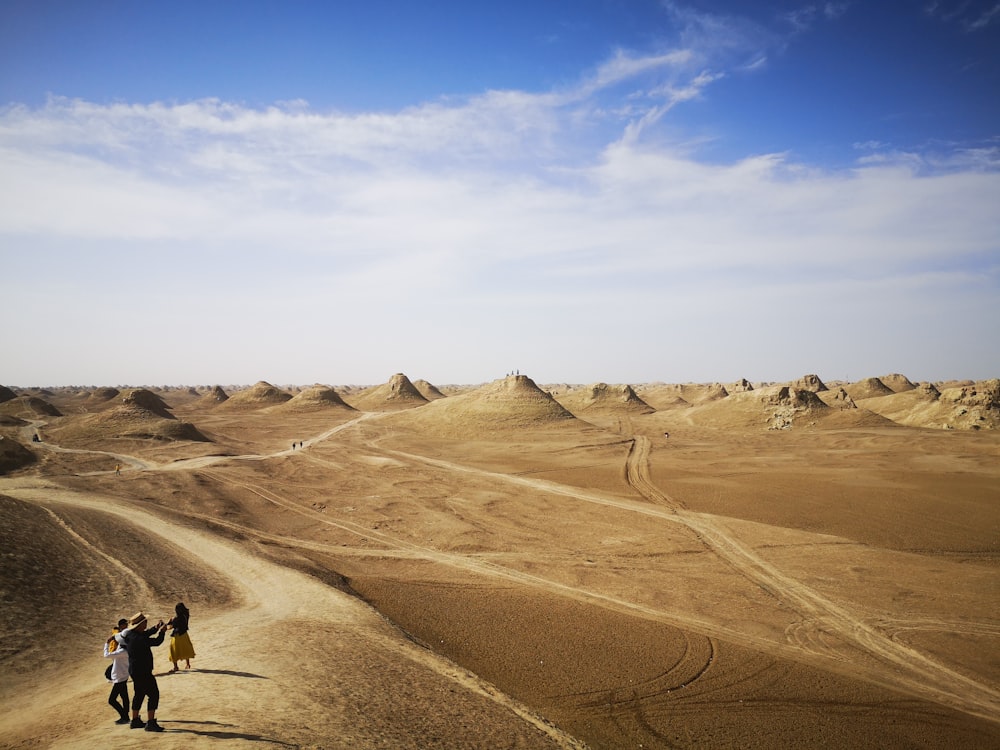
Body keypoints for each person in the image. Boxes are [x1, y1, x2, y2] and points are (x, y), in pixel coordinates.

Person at [116, 611, 167, 732]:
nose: (146, 624)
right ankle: (150, 722)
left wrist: (156, 627)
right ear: (139, 625)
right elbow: (156, 642)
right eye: (145, 622)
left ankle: (135, 720)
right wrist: (163, 632)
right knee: (154, 694)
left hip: (135, 670)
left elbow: (146, 633)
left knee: (139, 694)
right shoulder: (138, 639)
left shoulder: (131, 635)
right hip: (143, 671)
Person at [103, 618, 131, 725]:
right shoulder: (126, 650)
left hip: (119, 677)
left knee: (112, 700)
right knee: (124, 697)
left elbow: (106, 655)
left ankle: (124, 716)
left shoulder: (122, 652)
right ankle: (126, 716)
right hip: (123, 676)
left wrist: (106, 643)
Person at [167, 602, 196, 672]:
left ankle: (175, 667)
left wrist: (169, 622)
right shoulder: (186, 615)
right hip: (184, 635)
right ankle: (188, 664)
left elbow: (170, 627)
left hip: (177, 636)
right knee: (186, 649)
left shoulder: (176, 618)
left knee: (173, 651)